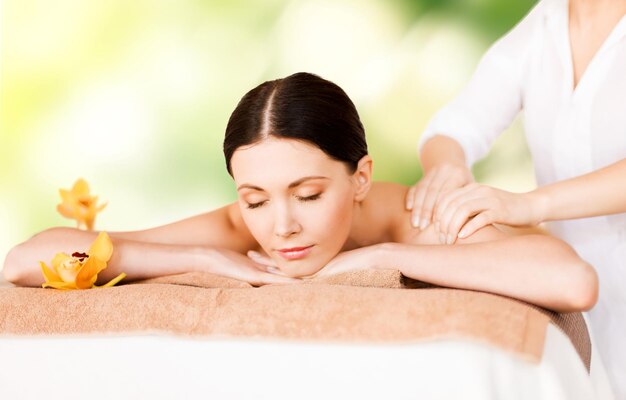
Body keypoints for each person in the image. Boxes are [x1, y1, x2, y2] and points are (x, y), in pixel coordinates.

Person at [3, 72, 598, 314]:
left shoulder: (422, 217)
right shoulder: (243, 229)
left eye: (308, 194)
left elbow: (572, 281)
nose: (279, 225)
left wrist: (380, 257)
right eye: (255, 197)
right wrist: (201, 258)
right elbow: (29, 260)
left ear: (360, 177)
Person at [405, 0, 626, 397]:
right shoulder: (544, 24)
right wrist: (448, 168)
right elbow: (454, 126)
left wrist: (529, 204)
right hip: (576, 299)